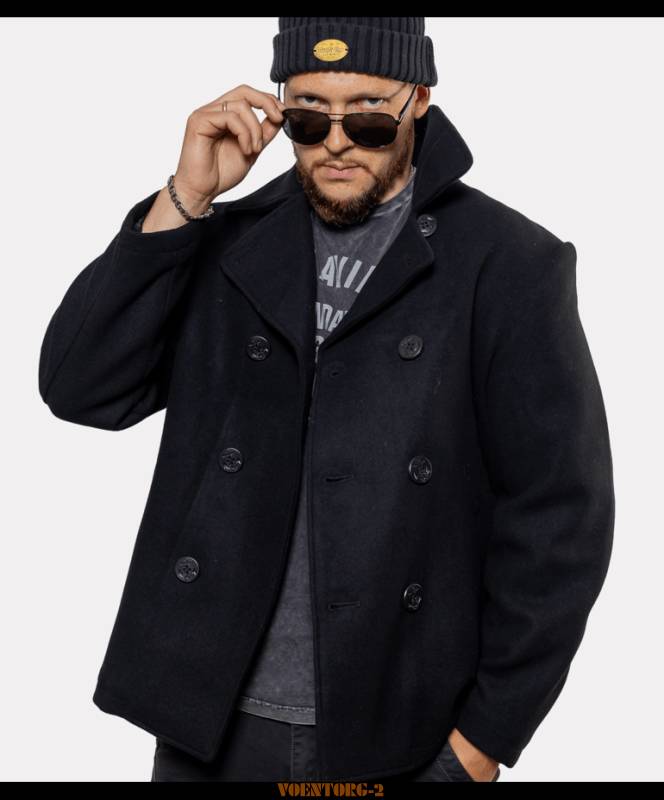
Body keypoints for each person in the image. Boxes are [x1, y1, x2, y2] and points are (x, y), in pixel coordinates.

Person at [39, 17, 614, 783]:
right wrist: (185, 198)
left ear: (419, 101)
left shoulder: (507, 264)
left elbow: (561, 518)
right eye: (308, 117)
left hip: (396, 730)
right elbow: (82, 387)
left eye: (369, 117)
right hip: (205, 724)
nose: (336, 143)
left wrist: (484, 740)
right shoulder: (229, 241)